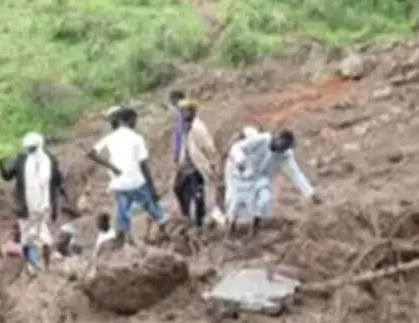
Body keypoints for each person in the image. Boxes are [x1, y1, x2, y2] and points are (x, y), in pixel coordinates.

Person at [88, 107, 166, 244]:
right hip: (136, 182)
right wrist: (152, 189)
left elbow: (91, 154)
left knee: (123, 214)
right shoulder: (136, 138)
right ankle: (165, 230)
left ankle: (123, 242)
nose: (134, 123)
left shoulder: (110, 137)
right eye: (133, 121)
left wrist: (112, 167)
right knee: (155, 210)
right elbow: (143, 165)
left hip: (119, 185)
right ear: (126, 120)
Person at [224, 128, 319, 236]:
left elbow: (296, 174)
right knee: (235, 202)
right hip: (243, 172)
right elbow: (238, 148)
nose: (282, 149)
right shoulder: (262, 140)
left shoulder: (285, 157)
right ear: (277, 138)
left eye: (285, 147)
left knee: (264, 200)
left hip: (261, 178)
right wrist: (240, 160)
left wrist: (310, 193)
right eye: (282, 145)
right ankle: (231, 227)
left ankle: (255, 229)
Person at [0, 133, 70, 272]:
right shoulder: (50, 159)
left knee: (28, 237)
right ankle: (47, 264)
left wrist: (0, 165)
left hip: (26, 207)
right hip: (44, 207)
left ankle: (34, 266)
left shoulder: (20, 160)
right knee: (43, 236)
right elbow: (58, 180)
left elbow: (6, 176)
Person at [173, 98, 217, 230]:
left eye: (185, 111)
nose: (182, 113)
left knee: (197, 194)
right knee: (178, 189)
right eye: (181, 111)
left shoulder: (198, 127)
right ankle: (186, 216)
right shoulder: (184, 126)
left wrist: (211, 162)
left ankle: (199, 222)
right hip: (185, 165)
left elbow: (209, 147)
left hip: (196, 166)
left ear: (192, 111)